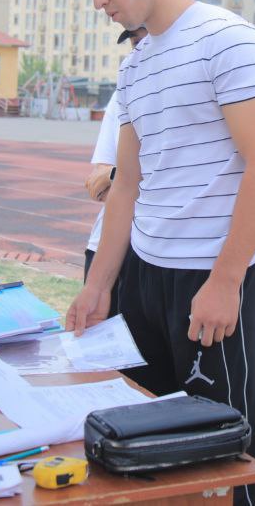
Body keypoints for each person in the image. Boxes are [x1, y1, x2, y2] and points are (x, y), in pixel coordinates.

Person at [66, 0, 255, 506]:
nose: (99, 1)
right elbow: (127, 188)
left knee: (222, 457)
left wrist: (226, 281)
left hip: (207, 278)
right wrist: (99, 286)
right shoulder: (135, 65)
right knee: (145, 449)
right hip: (144, 277)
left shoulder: (229, 40)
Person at [82, 25, 149, 314]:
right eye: (135, 42)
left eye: (147, 39)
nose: (141, 49)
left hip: (159, 255)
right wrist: (121, 177)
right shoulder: (124, 92)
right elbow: (98, 183)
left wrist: (120, 176)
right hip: (106, 248)